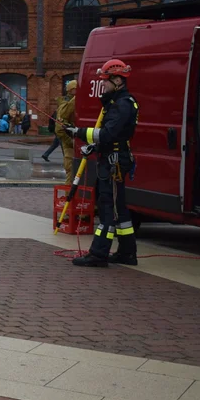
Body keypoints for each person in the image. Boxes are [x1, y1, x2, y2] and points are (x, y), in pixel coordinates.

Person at [68, 60, 140, 268]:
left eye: (105, 82)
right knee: (119, 209)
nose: (103, 85)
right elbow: (112, 137)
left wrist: (81, 132)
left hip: (114, 163)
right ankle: (127, 253)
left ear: (117, 80)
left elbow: (108, 133)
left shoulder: (122, 104)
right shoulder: (120, 102)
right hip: (113, 157)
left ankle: (99, 254)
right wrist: (95, 146)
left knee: (108, 206)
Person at [49, 80, 78, 181]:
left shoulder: (75, 101)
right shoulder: (66, 104)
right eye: (77, 88)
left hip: (76, 142)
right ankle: (69, 196)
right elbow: (59, 129)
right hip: (70, 145)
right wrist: (70, 142)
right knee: (71, 173)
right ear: (71, 90)